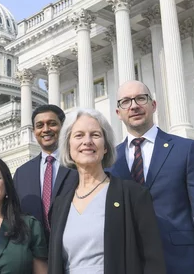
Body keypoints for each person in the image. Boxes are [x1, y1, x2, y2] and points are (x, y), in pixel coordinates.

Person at [109, 80, 194, 274]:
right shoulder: (110, 161)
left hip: (180, 264)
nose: (134, 106)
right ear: (118, 113)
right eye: (126, 102)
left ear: (153, 105)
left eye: (141, 98)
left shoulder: (185, 149)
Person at [49, 108, 165, 274]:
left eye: (95, 135)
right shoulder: (60, 204)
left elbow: (153, 261)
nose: (87, 141)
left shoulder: (133, 195)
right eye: (79, 135)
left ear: (105, 147)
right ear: (68, 146)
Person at [13, 104, 73, 237]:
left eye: (52, 124)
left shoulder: (77, 165)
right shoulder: (21, 174)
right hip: (36, 252)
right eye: (40, 126)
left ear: (63, 127)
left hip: (73, 250)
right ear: (34, 131)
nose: (46, 129)